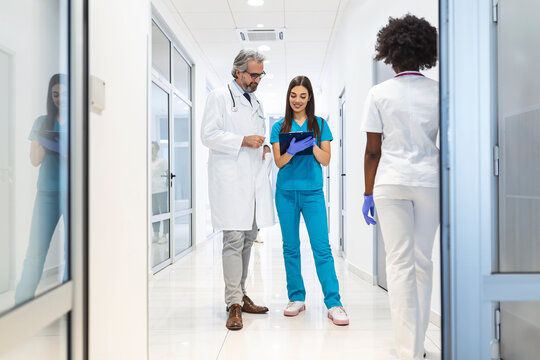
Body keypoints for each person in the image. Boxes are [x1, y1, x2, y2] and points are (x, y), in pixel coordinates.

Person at [360, 14, 439, 360]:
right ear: (425, 50)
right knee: (422, 262)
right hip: (429, 182)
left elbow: (373, 150)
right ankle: (418, 345)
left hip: (389, 183)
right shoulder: (439, 92)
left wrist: (366, 194)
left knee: (398, 264)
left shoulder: (378, 93)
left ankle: (408, 349)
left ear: (389, 51)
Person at [201, 49, 275, 330]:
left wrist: (263, 147)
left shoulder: (256, 102)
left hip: (253, 180)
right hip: (230, 181)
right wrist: (242, 140)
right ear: (238, 72)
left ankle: (241, 294)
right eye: (253, 74)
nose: (257, 79)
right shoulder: (219, 97)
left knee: (247, 238)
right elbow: (208, 135)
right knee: (233, 238)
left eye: (260, 75)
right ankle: (232, 303)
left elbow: (257, 139)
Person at [270, 75, 349, 326]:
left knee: (322, 248)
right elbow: (279, 162)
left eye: (303, 96)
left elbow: (325, 160)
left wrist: (310, 144)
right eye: (293, 95)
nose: (297, 100)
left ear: (309, 98)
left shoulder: (320, 125)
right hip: (285, 194)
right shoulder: (279, 127)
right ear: (288, 97)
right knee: (290, 248)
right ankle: (296, 297)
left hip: (313, 193)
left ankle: (334, 302)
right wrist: (292, 148)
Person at [15, 73, 69, 305]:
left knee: (73, 252)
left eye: (64, 94)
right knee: (35, 251)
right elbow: (35, 160)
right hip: (47, 193)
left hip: (73, 194)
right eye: (55, 94)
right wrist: (44, 143)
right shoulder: (41, 122)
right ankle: (22, 304)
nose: (59, 98)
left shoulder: (80, 120)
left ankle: (69, 304)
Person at [151, 141, 169, 244]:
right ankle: (156, 235)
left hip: (161, 190)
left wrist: (166, 184)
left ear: (157, 150)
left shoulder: (161, 161)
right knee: (155, 213)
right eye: (150, 148)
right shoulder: (148, 161)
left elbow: (168, 173)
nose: (151, 150)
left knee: (164, 212)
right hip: (152, 191)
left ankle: (164, 235)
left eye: (153, 148)